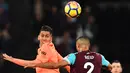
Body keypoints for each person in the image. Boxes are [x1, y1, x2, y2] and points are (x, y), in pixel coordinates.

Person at [3, 36, 111, 73]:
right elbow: (112, 68)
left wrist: (35, 65)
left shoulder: (74, 56)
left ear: (78, 46)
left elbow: (55, 65)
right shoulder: (99, 57)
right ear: (89, 46)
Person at [2, 25, 70, 73]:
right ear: (38, 37)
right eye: (42, 35)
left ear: (51, 39)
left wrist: (12, 59)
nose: (44, 38)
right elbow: (65, 63)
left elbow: (34, 63)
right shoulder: (53, 50)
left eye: (47, 36)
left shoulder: (46, 47)